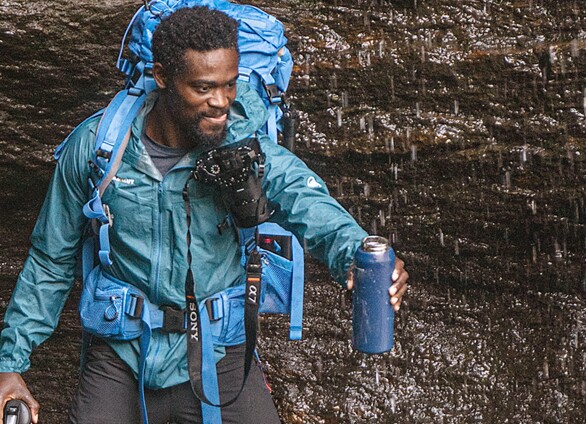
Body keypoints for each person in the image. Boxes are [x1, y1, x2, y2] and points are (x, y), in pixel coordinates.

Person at [0, 6, 408, 424]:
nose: (221, 103)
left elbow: (306, 201)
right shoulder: (98, 150)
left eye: (230, 85)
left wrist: (354, 251)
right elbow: (50, 259)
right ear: (162, 77)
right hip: (122, 355)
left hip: (220, 352)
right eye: (204, 88)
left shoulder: (243, 148)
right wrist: (10, 364)